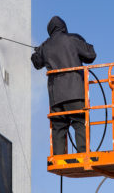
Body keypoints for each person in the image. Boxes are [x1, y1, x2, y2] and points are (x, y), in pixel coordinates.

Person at [31, 16, 96, 155]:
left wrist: (37, 52)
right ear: (63, 27)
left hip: (56, 97)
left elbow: (37, 63)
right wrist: (85, 43)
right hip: (75, 92)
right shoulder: (73, 39)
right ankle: (83, 152)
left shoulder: (45, 46)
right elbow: (91, 55)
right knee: (80, 121)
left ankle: (59, 156)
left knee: (59, 126)